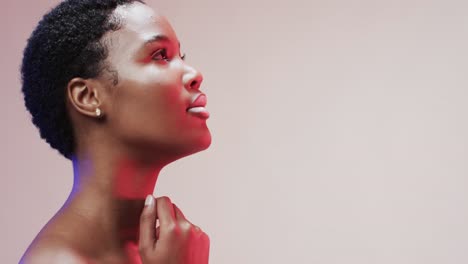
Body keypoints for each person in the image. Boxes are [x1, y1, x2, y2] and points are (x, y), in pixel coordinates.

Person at [19, 0, 211, 263]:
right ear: (88, 96)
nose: (194, 74)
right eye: (160, 55)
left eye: (180, 56)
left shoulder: (157, 251)